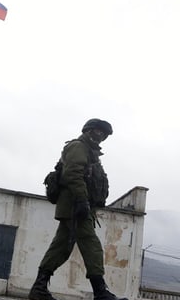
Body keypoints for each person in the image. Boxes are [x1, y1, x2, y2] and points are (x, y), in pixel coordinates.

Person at [29, 119, 127, 300]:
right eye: (99, 132)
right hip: (75, 205)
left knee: (61, 248)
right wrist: (82, 200)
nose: (101, 137)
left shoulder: (91, 152)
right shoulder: (78, 147)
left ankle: (39, 288)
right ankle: (100, 292)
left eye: (104, 135)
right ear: (88, 131)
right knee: (91, 245)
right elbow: (72, 173)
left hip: (78, 206)